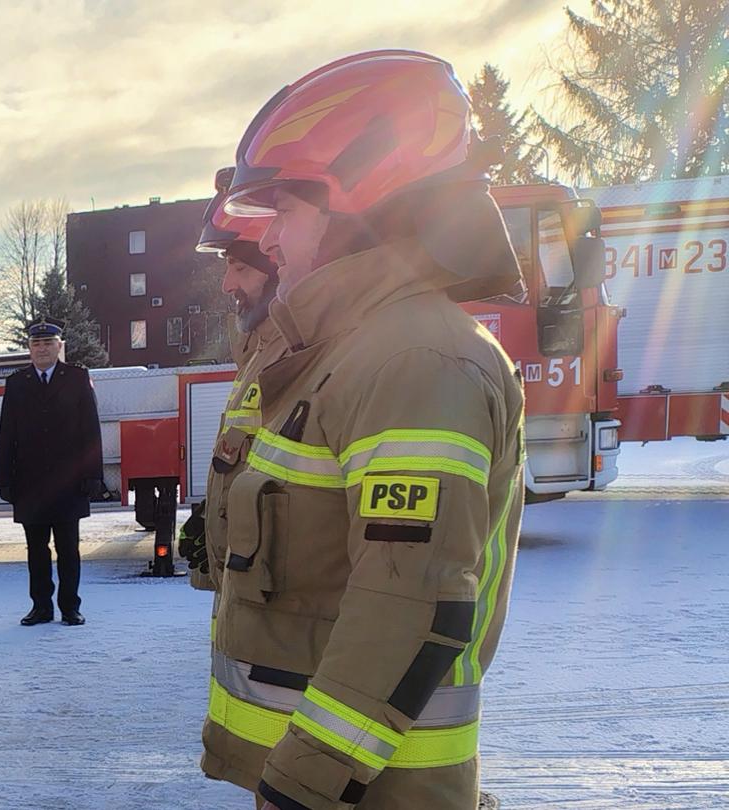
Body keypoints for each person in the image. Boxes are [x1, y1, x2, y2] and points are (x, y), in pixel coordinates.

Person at [205, 50, 526, 810]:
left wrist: (306, 780)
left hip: (364, 791)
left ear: (360, 201)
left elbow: (409, 604)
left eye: (284, 211)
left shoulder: (417, 361)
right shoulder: (351, 352)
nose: (269, 240)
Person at [180, 167, 282, 592]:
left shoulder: (301, 355)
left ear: (279, 268)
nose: (226, 284)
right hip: (249, 601)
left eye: (240, 268)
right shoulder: (259, 351)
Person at [0, 320, 102, 627]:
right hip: (31, 484)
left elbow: (90, 430)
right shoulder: (17, 383)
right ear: (29, 349)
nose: (42, 349)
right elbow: (7, 435)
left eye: (48, 343)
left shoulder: (77, 378)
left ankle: (70, 607)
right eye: (36, 344)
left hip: (69, 482)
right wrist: (4, 479)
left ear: (59, 346)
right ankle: (41, 607)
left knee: (69, 549)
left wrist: (92, 474)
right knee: (36, 551)